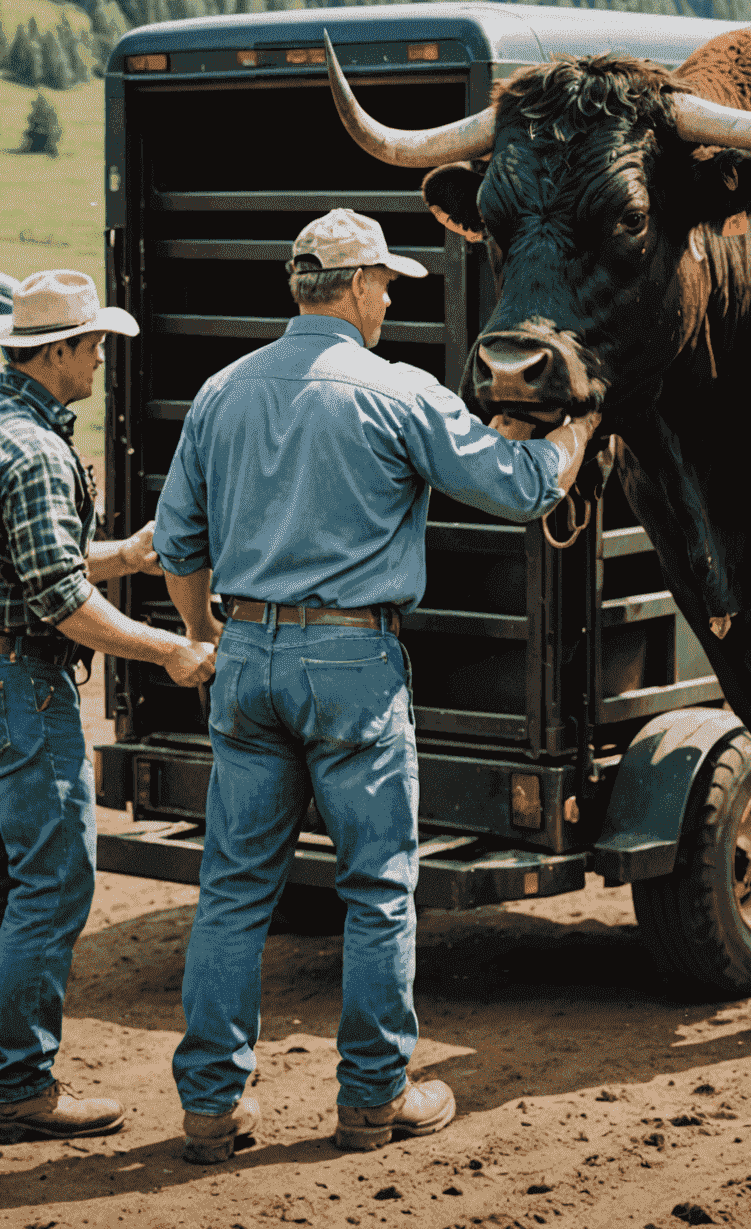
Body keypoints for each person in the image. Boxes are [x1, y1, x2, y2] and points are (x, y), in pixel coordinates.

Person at [156, 209, 601, 1164]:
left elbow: (179, 547)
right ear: (356, 287)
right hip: (353, 663)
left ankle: (211, 1109)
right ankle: (372, 1100)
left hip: (245, 652)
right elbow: (523, 486)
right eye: (388, 284)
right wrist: (579, 432)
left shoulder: (220, 392)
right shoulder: (396, 393)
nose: (393, 298)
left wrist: (204, 638)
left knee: (233, 890)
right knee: (378, 888)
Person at [0, 269, 218, 1145]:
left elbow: (20, 560)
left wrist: (124, 553)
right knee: (52, 883)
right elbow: (57, 600)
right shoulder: (41, 451)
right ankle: (19, 1086)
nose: (99, 360)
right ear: (54, 352)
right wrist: (170, 649)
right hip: (15, 685)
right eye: (91, 345)